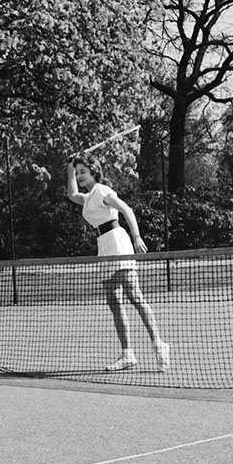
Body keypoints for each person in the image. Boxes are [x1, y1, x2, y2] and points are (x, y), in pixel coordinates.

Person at [66, 157, 170, 372]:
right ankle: (128, 354)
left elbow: (126, 209)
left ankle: (159, 345)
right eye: (77, 173)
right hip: (103, 245)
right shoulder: (87, 198)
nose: (79, 176)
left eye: (82, 171)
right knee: (114, 301)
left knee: (133, 295)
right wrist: (69, 170)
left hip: (117, 240)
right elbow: (72, 195)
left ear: (94, 171)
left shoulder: (103, 191)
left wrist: (137, 236)